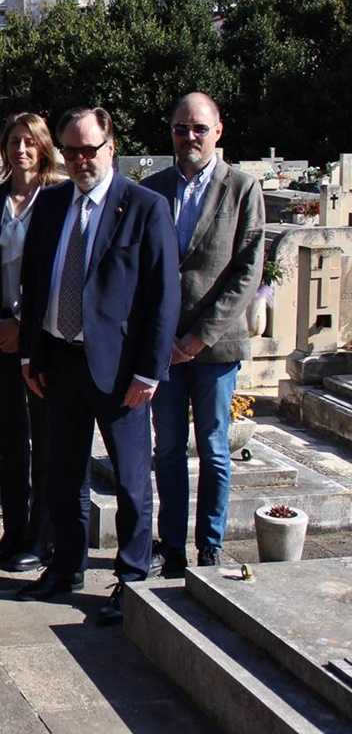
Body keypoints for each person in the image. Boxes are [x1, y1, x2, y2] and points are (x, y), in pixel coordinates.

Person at [16, 107, 179, 625]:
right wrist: (30, 353)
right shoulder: (51, 204)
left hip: (120, 371)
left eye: (90, 150)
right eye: (71, 151)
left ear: (111, 148)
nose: (81, 160)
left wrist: (149, 372)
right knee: (63, 475)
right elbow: (34, 283)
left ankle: (131, 580)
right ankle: (66, 567)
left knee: (131, 482)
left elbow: (163, 295)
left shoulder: (144, 207)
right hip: (60, 360)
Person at [142, 93, 265, 576]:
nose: (189, 137)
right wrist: (160, 338)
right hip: (164, 347)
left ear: (218, 131)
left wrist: (199, 337)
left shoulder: (242, 188)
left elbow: (247, 270)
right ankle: (172, 548)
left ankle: (209, 546)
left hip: (215, 346)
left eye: (198, 128)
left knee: (213, 450)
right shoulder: (153, 189)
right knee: (168, 449)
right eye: (180, 128)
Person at [0, 112, 60, 573]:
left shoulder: (58, 199)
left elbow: (57, 273)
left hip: (41, 338)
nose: (21, 150)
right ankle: (12, 530)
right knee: (10, 437)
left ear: (43, 147)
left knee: (43, 439)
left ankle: (41, 538)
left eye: (29, 142)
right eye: (13, 142)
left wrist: (23, 325)